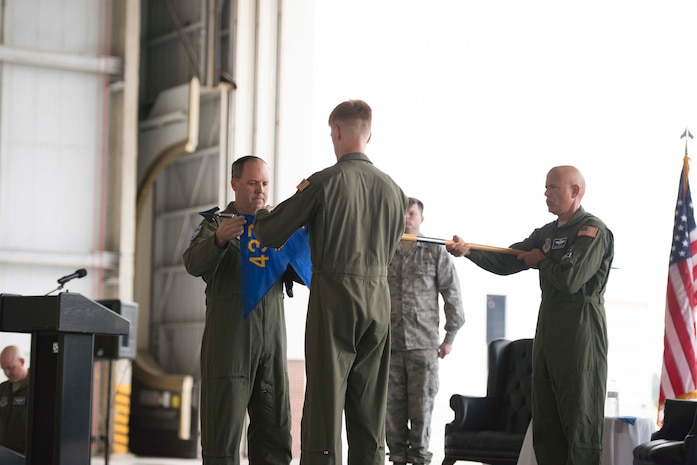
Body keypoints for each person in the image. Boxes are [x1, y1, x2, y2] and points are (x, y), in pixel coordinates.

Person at [254, 99, 408, 465]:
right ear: (369, 134)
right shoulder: (395, 191)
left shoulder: (324, 182)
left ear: (336, 132)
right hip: (379, 299)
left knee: (325, 399)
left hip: (335, 298)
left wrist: (262, 213)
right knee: (370, 403)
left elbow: (272, 234)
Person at [446, 165, 614, 465]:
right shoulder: (547, 233)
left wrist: (543, 261)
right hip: (549, 323)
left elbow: (570, 279)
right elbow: (508, 260)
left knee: (579, 420)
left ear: (575, 191)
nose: (546, 193)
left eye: (553, 187)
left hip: (580, 327)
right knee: (546, 422)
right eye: (546, 187)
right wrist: (470, 251)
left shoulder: (592, 230)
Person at [183, 156, 292, 465]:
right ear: (234, 184)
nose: (260, 190)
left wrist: (289, 232)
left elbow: (302, 269)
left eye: (265, 184)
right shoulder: (215, 224)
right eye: (253, 183)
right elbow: (192, 263)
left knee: (275, 431)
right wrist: (219, 239)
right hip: (230, 342)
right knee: (223, 432)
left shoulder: (276, 227)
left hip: (271, 342)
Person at [386, 197, 465, 465]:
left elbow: (452, 295)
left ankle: (419, 460)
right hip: (390, 346)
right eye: (402, 214)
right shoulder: (384, 250)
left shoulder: (435, 251)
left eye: (411, 214)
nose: (407, 219)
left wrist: (449, 337)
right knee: (391, 414)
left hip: (423, 346)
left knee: (421, 412)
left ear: (421, 219)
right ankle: (397, 459)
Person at [0, 345, 29, 454]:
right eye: (3, 369)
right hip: (4, 452)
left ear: (22, 361)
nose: (7, 373)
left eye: (10, 368)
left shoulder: (35, 387)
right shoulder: (2, 389)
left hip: (24, 454)